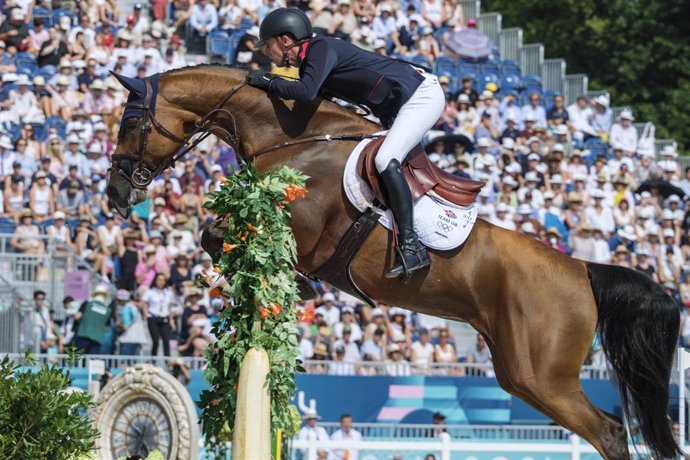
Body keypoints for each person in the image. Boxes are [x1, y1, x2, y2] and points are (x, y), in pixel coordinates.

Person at [246, 8, 445, 279]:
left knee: (385, 159)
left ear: (285, 40)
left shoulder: (320, 48)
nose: (267, 53)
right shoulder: (312, 60)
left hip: (420, 96)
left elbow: (305, 92)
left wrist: (269, 80)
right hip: (398, 108)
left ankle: (412, 248)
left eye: (268, 45)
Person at [74, 285, 112, 354]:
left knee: (78, 358)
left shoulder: (88, 303)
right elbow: (106, 328)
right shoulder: (108, 309)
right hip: (98, 338)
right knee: (92, 360)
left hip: (84, 334)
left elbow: (77, 316)